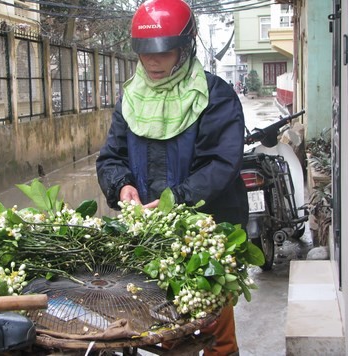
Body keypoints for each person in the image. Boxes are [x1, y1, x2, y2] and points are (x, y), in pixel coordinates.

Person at [96, 0, 248, 354]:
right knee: (157, 328)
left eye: (163, 52)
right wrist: (123, 186)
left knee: (214, 332)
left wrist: (175, 199)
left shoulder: (215, 96)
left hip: (206, 232)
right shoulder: (131, 98)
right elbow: (111, 157)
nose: (152, 61)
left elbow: (220, 165)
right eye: (145, 51)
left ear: (184, 48)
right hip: (151, 236)